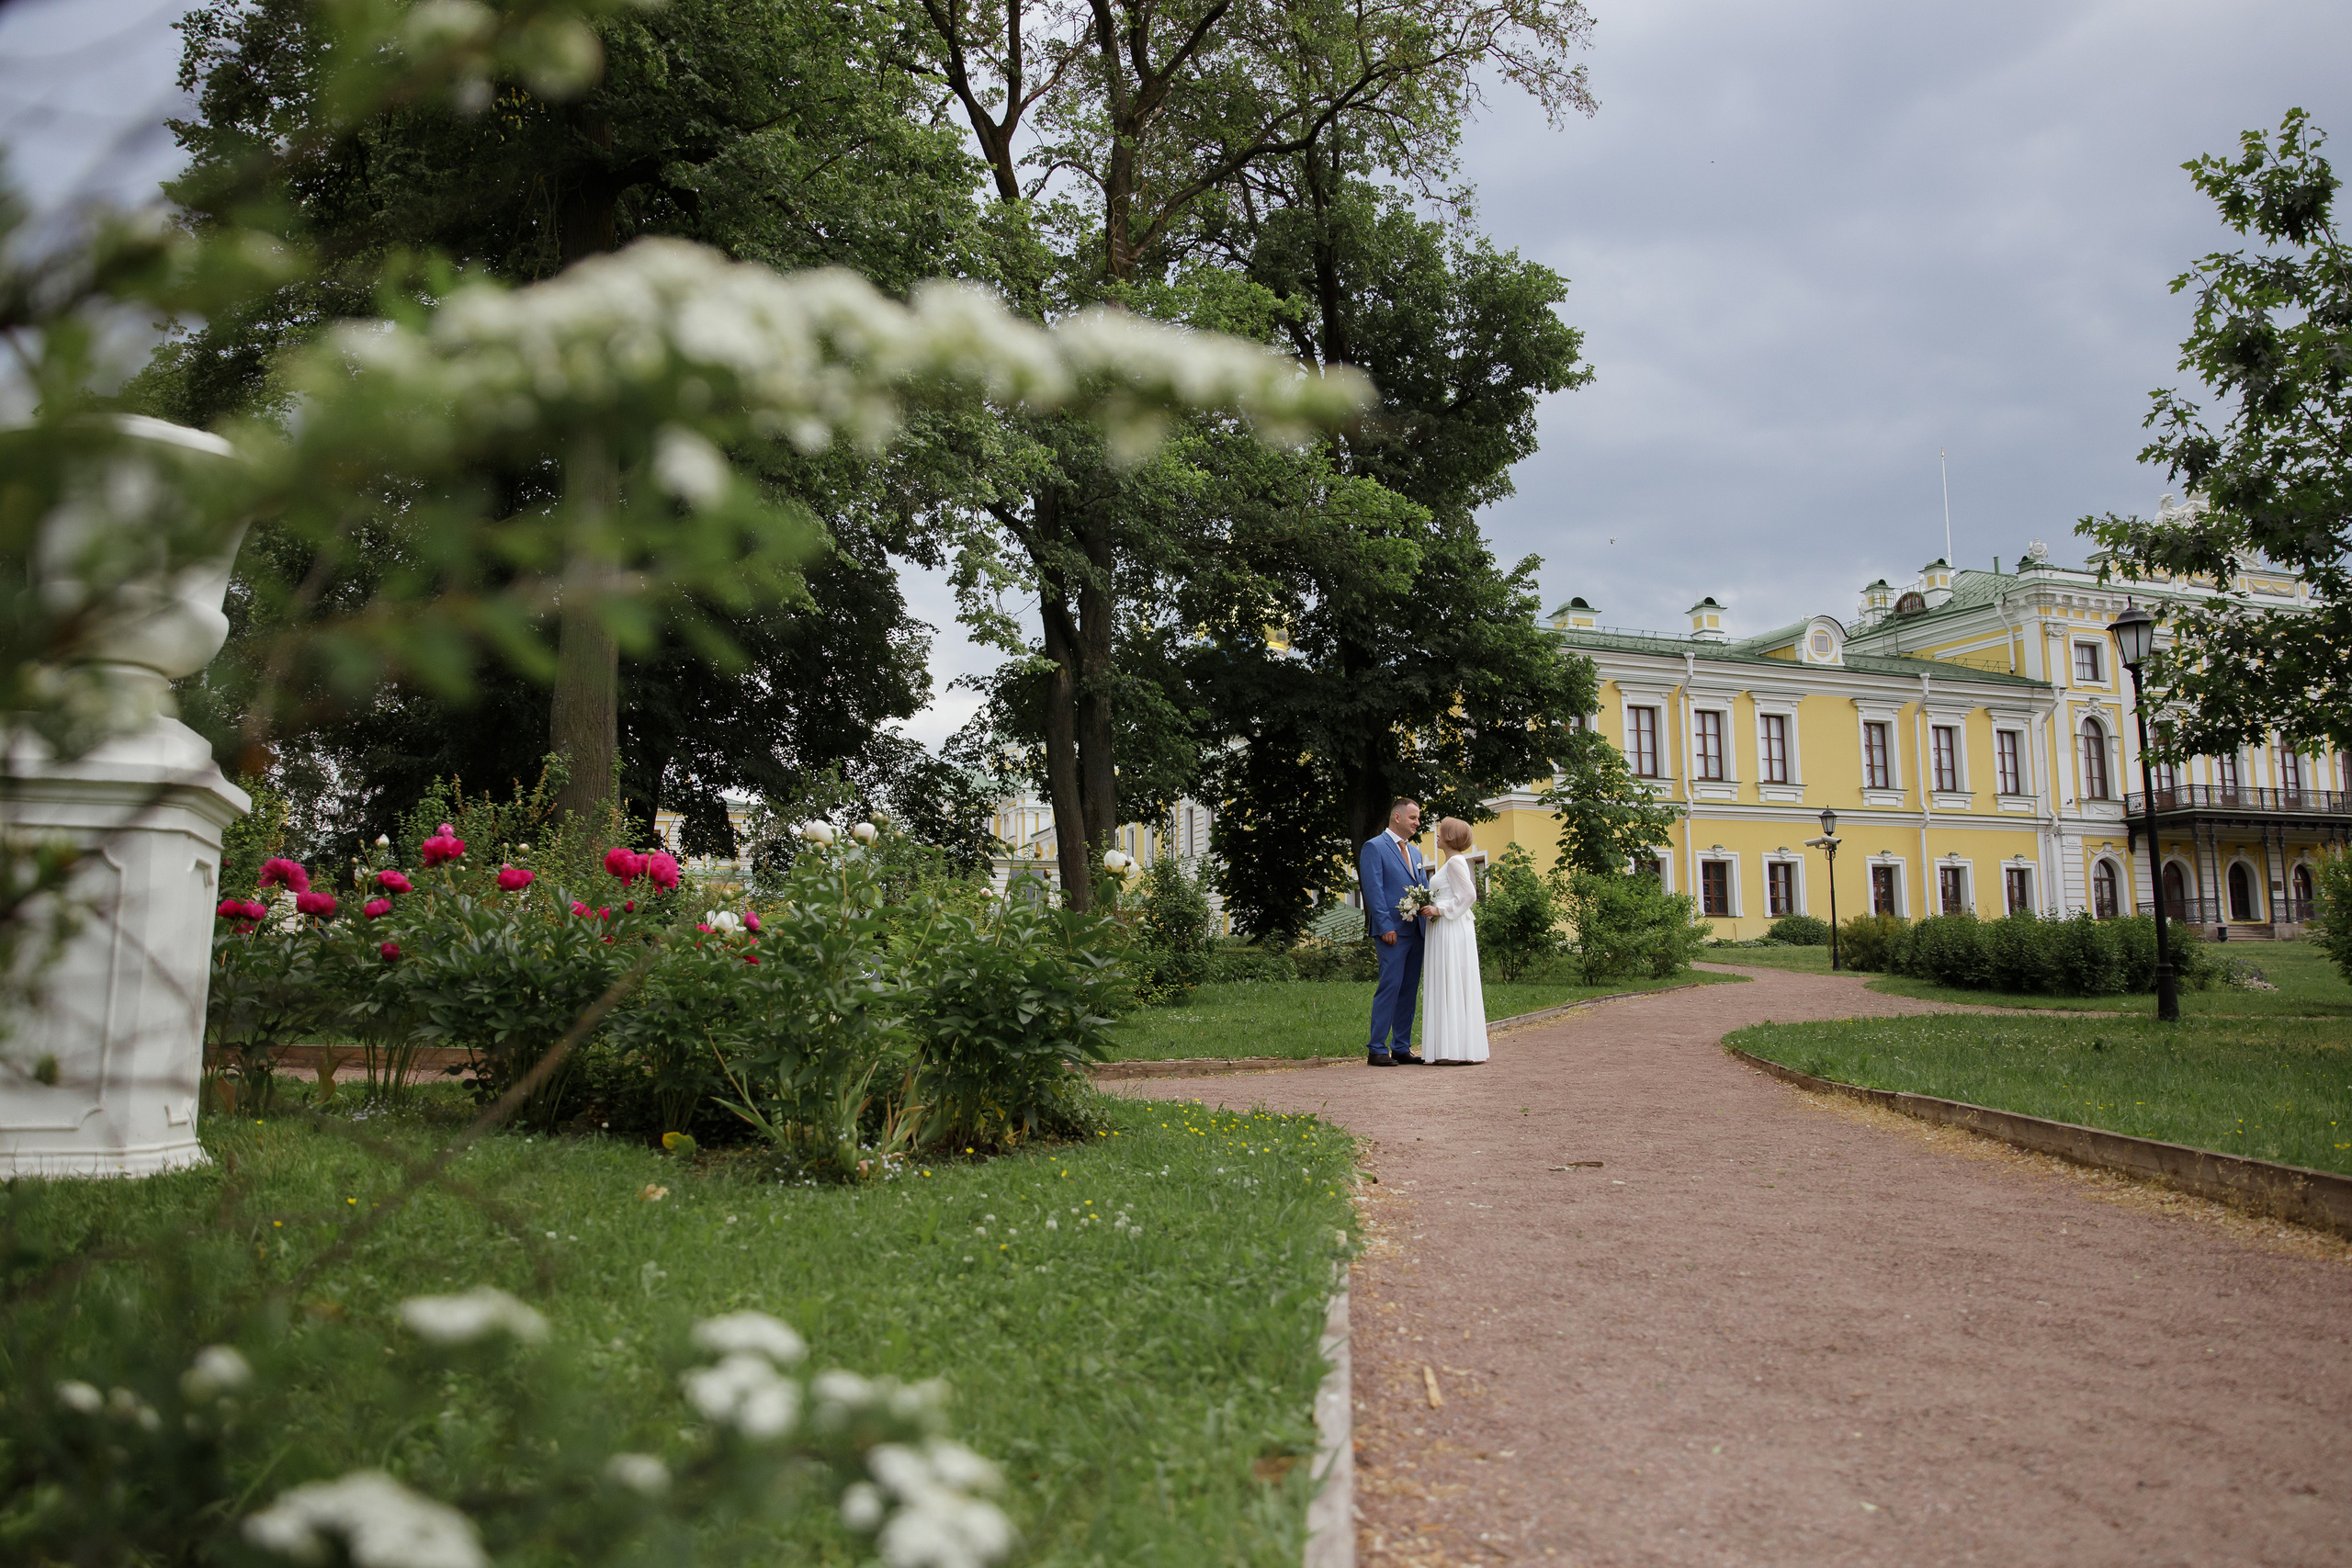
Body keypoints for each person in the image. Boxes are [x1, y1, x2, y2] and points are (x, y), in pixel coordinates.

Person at [1359, 797, 1434, 1066]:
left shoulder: (1415, 853)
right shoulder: (1374, 847)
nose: (1417, 823)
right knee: (1390, 987)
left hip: (1416, 931)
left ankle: (1401, 1047)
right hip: (1391, 931)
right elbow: (1373, 889)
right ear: (1397, 818)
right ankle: (1376, 1048)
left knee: (1409, 989)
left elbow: (1422, 887)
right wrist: (1384, 925)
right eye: (1413, 818)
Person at [1420, 818, 1490, 1063]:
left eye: (1441, 832)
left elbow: (1469, 895)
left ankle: (1452, 1049)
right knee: (1450, 980)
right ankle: (1453, 1048)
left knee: (1450, 978)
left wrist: (1440, 909)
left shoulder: (1455, 863)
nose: (1437, 835)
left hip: (1450, 927)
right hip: (1448, 926)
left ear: (1450, 836)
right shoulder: (1451, 863)